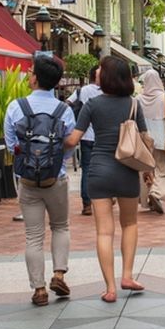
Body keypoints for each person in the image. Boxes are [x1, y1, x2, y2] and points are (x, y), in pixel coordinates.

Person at [64, 56, 153, 302]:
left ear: (107, 76)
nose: (97, 73)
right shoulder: (134, 105)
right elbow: (145, 139)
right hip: (126, 171)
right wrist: (149, 171)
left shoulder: (92, 104)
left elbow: (73, 140)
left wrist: (52, 143)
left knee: (104, 232)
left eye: (101, 70)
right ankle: (127, 275)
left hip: (99, 171)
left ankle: (110, 289)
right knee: (130, 225)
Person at [4, 54, 74, 307]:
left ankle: (39, 289)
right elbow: (68, 146)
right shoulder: (63, 110)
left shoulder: (16, 107)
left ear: (34, 78)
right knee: (60, 226)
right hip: (56, 178)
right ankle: (59, 273)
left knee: (33, 235)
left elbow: (12, 145)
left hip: (27, 181)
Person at [139, 69, 165, 214]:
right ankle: (156, 193)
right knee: (161, 170)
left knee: (146, 171)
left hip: (144, 143)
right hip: (162, 141)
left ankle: (149, 199)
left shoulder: (138, 100)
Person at [67, 66, 102, 216]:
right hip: (103, 137)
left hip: (85, 135)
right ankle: (106, 197)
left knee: (87, 169)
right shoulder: (107, 91)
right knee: (105, 168)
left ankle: (87, 204)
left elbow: (68, 103)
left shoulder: (82, 91)